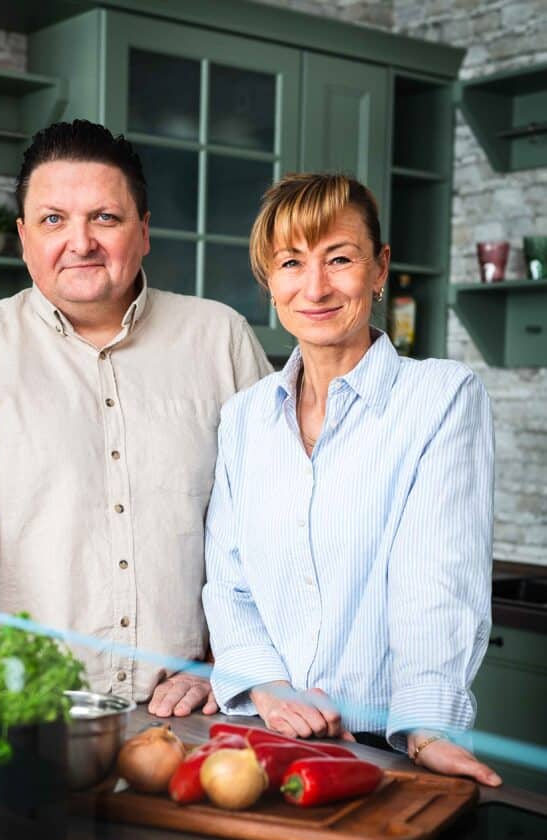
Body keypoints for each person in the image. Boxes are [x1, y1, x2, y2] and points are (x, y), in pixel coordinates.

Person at [0, 120, 271, 717]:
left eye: (105, 217)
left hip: (191, 713)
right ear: (23, 238)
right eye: (53, 220)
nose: (81, 241)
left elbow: (271, 528)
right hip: (26, 713)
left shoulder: (220, 338)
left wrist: (230, 661)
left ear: (143, 231)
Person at [203, 172, 502, 786]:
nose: (315, 286)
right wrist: (269, 689)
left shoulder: (440, 398)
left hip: (387, 749)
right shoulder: (244, 418)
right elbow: (230, 583)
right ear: (270, 282)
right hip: (264, 740)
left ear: (379, 267)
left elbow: (437, 581)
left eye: (339, 258)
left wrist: (424, 730)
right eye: (291, 263)